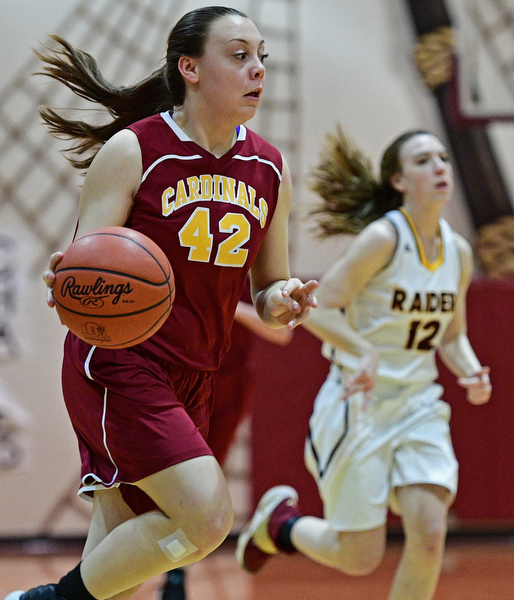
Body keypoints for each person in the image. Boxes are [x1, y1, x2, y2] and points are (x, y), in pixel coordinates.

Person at [5, 7, 318, 600]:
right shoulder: (135, 149)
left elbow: (267, 288)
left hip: (196, 372)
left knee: (119, 571)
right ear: (190, 67)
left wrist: (284, 299)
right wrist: (66, 279)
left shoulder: (269, 166)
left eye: (261, 58)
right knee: (206, 518)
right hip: (120, 363)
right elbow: (88, 263)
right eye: (239, 55)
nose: (257, 70)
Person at [236, 127, 492, 600]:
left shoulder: (457, 250)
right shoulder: (384, 238)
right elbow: (319, 308)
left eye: (443, 157)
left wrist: (470, 370)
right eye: (423, 161)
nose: (439, 166)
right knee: (360, 556)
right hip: (361, 403)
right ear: (398, 180)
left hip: (419, 405)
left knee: (431, 536)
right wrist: (364, 351)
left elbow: (451, 334)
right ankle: (282, 527)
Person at [161, 287, 292, 600]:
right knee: (162, 481)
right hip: (172, 377)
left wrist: (227, 309)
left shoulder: (248, 266)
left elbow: (283, 334)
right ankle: (126, 566)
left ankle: (175, 574)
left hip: (227, 387)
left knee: (200, 489)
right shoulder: (175, 256)